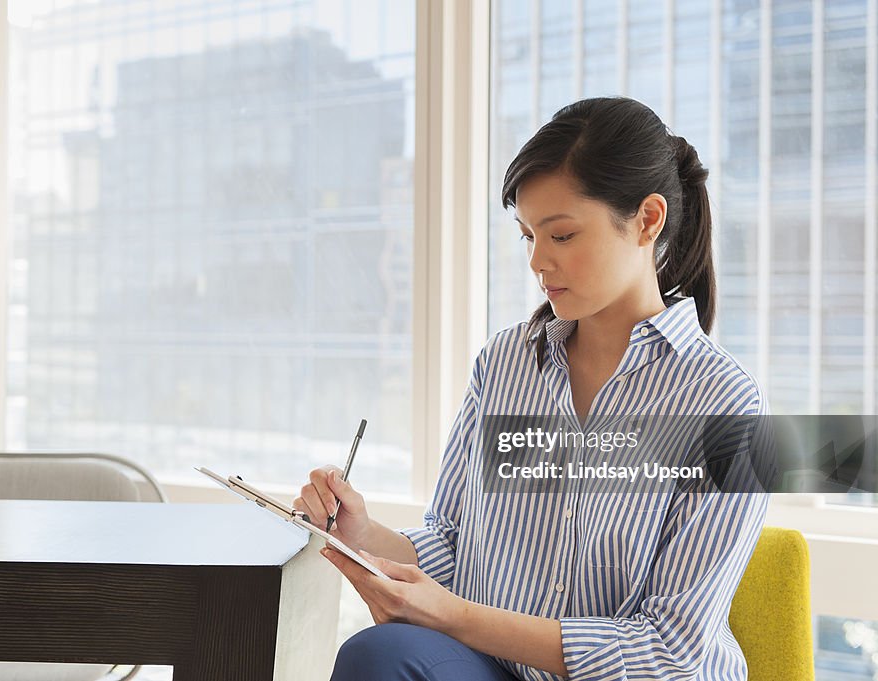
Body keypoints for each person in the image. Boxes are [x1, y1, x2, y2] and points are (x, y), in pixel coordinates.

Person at [293, 97, 772, 681]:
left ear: (648, 220)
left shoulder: (725, 403)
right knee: (376, 656)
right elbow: (453, 544)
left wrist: (456, 618)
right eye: (527, 237)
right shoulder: (505, 364)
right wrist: (362, 535)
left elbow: (671, 652)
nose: (538, 262)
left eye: (563, 235)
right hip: (499, 671)